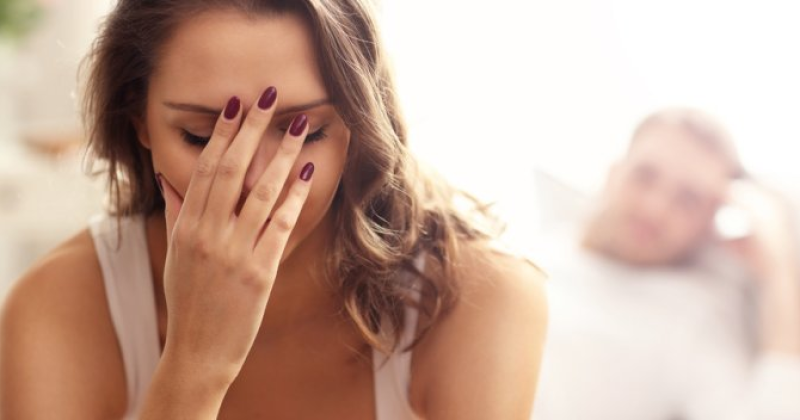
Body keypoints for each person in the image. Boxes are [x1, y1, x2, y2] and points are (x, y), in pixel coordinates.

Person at [0, 1, 548, 419]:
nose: (254, 183)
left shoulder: (477, 300)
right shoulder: (58, 310)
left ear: (359, 123)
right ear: (139, 120)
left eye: (303, 132)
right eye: (202, 135)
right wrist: (195, 365)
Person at [532, 108, 800, 420]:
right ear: (614, 170)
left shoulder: (691, 317)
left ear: (709, 223)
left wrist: (778, 270)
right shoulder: (533, 245)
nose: (655, 208)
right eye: (644, 175)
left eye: (689, 199)